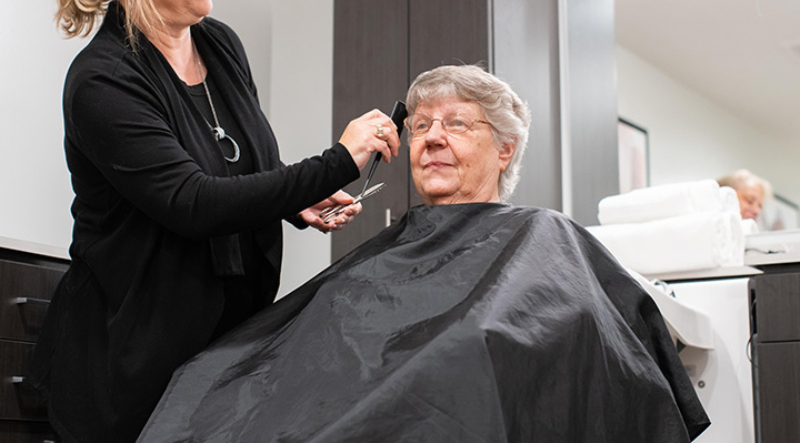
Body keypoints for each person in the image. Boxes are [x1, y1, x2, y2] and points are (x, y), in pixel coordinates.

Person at [137, 65, 710, 443]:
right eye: (422, 126)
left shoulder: (543, 235)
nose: (432, 137)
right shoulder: (389, 251)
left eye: (457, 123)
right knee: (204, 379)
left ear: (505, 149)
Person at [28, 0, 401, 443]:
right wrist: (338, 162)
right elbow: (192, 202)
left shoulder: (220, 45)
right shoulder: (103, 80)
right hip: (130, 366)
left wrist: (297, 200)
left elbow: (240, 168)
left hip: (223, 352)